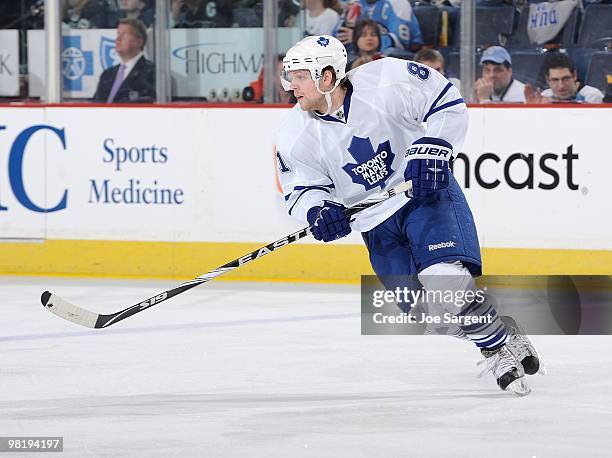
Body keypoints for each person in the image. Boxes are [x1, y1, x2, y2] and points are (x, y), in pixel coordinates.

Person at [276, 35, 542, 395]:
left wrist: (435, 146)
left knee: (445, 282)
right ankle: (500, 328)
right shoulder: (295, 133)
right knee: (428, 317)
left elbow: (445, 101)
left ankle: (495, 350)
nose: (292, 86)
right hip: (375, 224)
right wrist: (319, 211)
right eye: (289, 77)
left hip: (423, 197)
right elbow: (301, 189)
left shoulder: (387, 80)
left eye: (300, 77)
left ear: (327, 76)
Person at [93, 18, 155, 103]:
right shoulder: (107, 74)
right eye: (118, 33)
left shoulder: (151, 73)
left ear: (139, 42)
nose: (118, 38)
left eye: (124, 35)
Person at [334, 0, 424, 52]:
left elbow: (400, 41)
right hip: (359, 54)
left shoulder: (398, 3)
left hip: (393, 55)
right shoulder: (355, 4)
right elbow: (336, 37)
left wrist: (359, 38)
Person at [524, 53, 604, 104]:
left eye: (565, 79)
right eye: (555, 80)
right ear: (547, 80)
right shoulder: (545, 95)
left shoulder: (592, 96)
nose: (561, 86)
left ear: (574, 76)